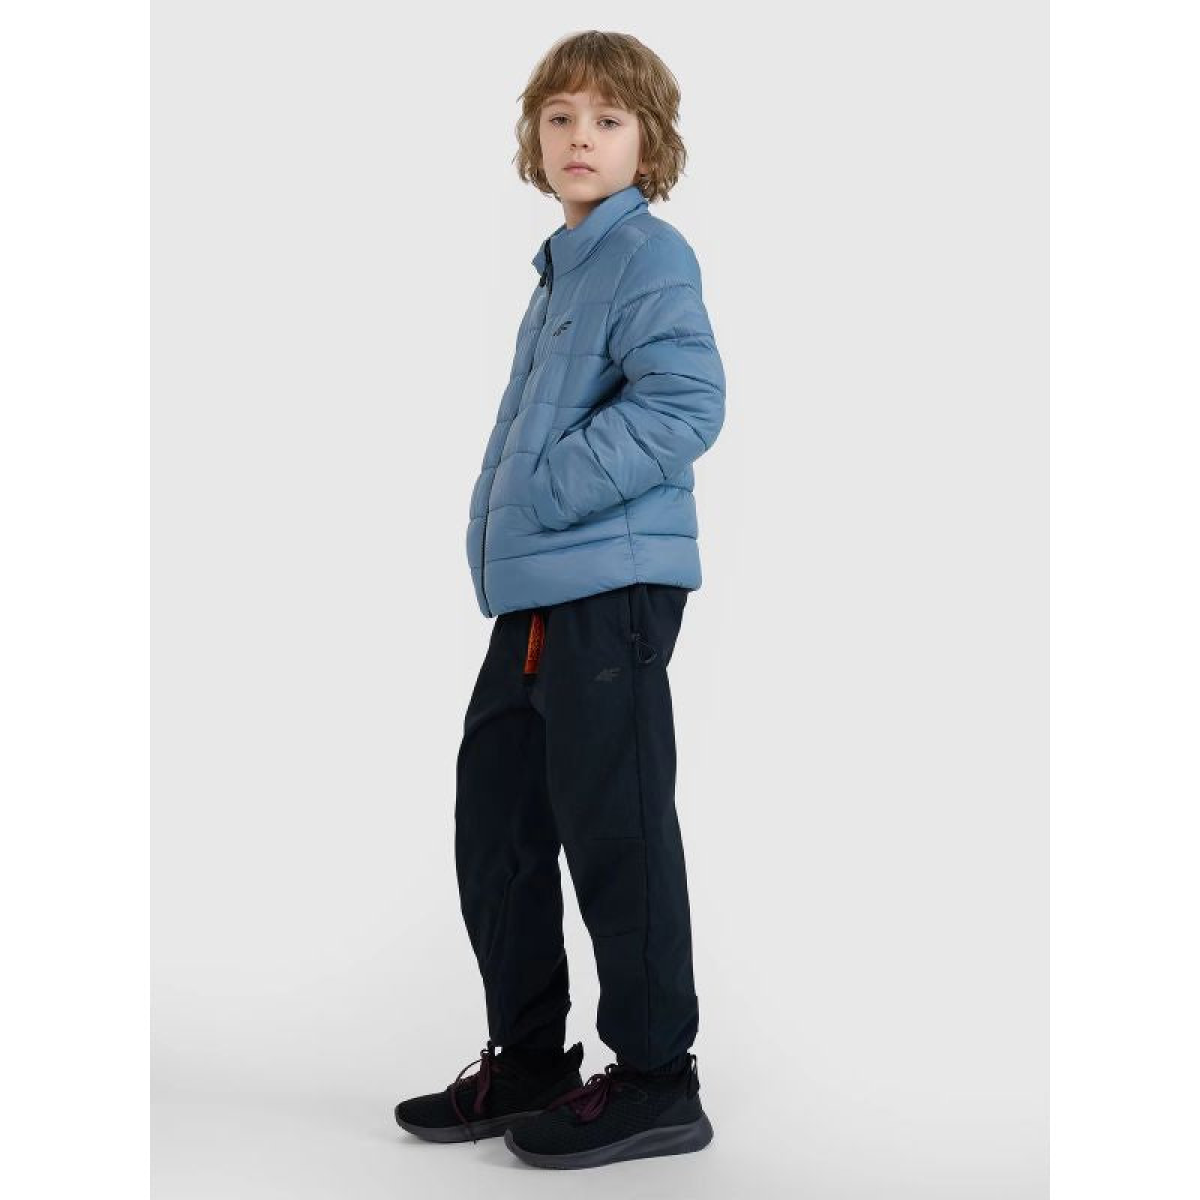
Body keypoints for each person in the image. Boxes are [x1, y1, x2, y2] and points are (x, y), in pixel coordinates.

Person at [394, 30, 726, 1170]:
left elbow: (685, 404)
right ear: (535, 138)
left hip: (609, 587)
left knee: (615, 826)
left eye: (609, 119)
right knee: (499, 816)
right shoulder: (566, 267)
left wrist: (544, 490)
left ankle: (657, 1080)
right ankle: (532, 1059)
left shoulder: (647, 256)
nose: (581, 137)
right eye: (560, 117)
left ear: (649, 142)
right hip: (544, 592)